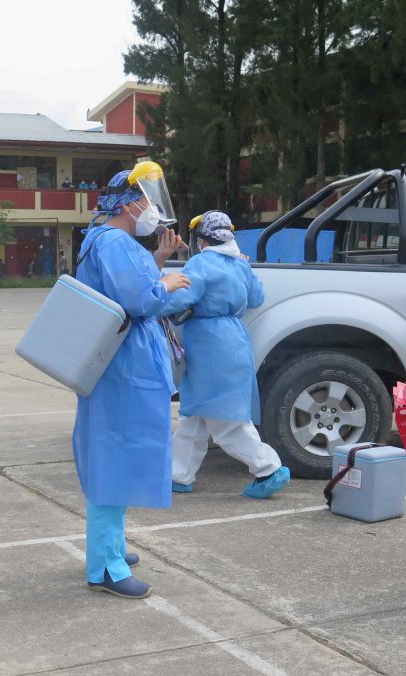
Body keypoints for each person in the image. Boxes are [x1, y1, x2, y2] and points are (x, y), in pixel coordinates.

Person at [74, 161, 190, 599]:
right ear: (127, 203)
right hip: (123, 366)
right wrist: (167, 283)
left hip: (120, 364)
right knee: (113, 457)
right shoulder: (114, 242)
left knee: (115, 455)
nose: (151, 207)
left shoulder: (107, 239)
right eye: (145, 199)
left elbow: (127, 287)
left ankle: (111, 547)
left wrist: (156, 262)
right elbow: (139, 299)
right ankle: (106, 565)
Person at [160, 211, 291, 499]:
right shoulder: (241, 264)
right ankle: (178, 474)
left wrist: (154, 295)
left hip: (209, 345)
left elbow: (180, 298)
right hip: (234, 339)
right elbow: (256, 298)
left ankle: (268, 469)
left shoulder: (201, 263)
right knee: (194, 413)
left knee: (225, 421)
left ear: (202, 239)